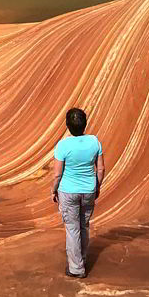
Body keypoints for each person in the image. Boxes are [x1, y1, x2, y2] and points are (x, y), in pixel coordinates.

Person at [50, 107, 103, 278]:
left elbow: (58, 173)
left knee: (73, 229)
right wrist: (97, 186)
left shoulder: (63, 145)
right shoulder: (94, 142)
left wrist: (53, 190)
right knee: (84, 226)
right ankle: (82, 258)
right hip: (88, 190)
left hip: (68, 191)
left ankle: (76, 268)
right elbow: (100, 169)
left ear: (67, 125)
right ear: (85, 124)